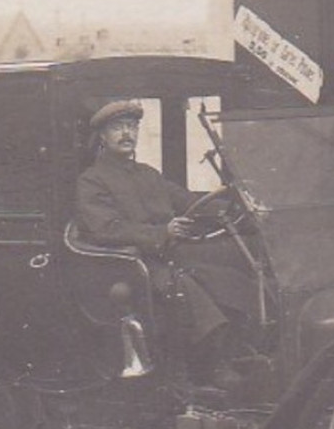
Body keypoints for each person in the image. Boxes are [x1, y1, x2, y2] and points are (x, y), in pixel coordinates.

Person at [75, 99, 258, 389]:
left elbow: (188, 202)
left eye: (131, 126)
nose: (127, 134)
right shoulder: (93, 181)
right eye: (118, 128)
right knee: (186, 289)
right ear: (102, 136)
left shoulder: (149, 174)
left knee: (229, 277)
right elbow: (105, 229)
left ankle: (234, 355)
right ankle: (208, 370)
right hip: (130, 265)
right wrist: (163, 232)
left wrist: (236, 207)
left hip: (168, 258)